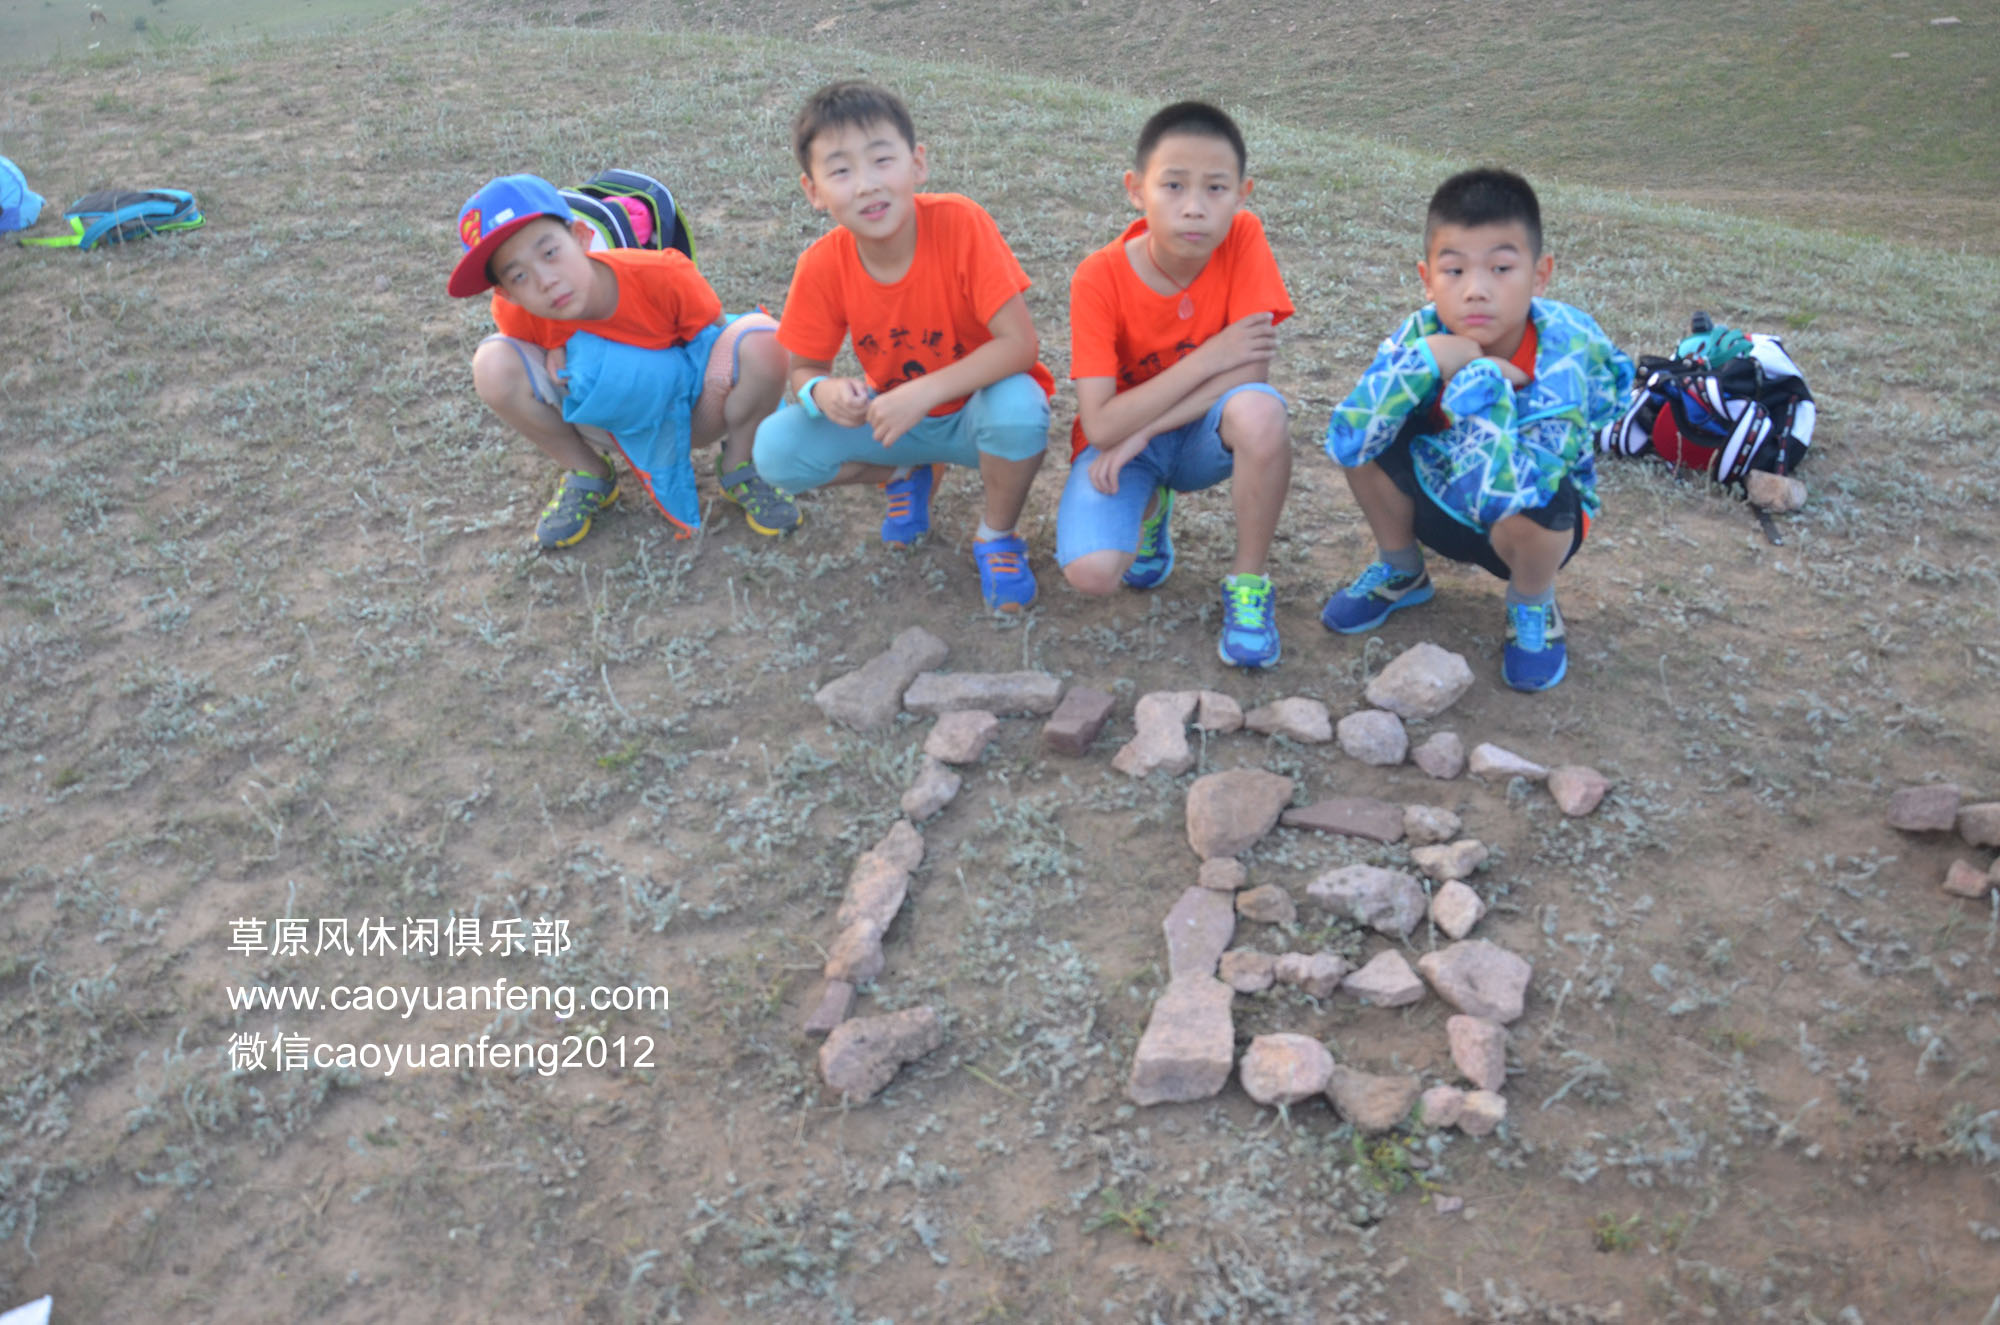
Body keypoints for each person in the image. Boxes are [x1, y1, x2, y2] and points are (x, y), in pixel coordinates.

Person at [1322, 167, 1632, 691]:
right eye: (1454, 272)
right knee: (1374, 434)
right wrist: (1422, 362)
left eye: (1502, 268)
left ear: (1540, 274)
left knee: (1545, 501)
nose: (1476, 291)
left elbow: (1519, 485)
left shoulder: (1567, 350)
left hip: (1524, 523)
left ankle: (1532, 604)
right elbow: (1347, 435)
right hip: (1440, 501)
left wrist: (1486, 382)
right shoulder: (1421, 333)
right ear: (1426, 278)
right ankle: (1403, 570)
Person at [752, 81, 1053, 613]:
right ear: (814, 191)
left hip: (972, 417)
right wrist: (822, 392)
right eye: (841, 171)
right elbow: (803, 368)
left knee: (1020, 409)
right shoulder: (821, 265)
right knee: (775, 449)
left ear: (917, 164)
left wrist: (922, 392)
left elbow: (1020, 347)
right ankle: (904, 474)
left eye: (882, 160)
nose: (867, 185)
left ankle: (997, 535)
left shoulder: (961, 223)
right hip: (894, 422)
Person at [1056, 101, 1294, 669]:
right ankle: (1151, 511)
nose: (1195, 208)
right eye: (1173, 186)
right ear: (1136, 190)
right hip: (1121, 445)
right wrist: (1211, 354)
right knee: (1091, 573)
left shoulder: (1243, 239)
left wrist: (1146, 428)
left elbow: (1250, 374)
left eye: (1216, 188)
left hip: (1200, 435)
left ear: (1243, 193)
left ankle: (1248, 581)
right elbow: (1101, 424)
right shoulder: (1098, 276)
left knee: (1261, 412)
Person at [450, 173, 798, 548]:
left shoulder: (664, 274)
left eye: (550, 253)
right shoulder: (517, 310)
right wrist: (556, 343)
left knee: (765, 339)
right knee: (491, 365)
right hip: (602, 417)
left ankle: (740, 466)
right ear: (507, 293)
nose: (545, 280)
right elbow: (528, 340)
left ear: (581, 238)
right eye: (519, 275)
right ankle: (589, 473)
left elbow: (713, 336)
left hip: (693, 408)